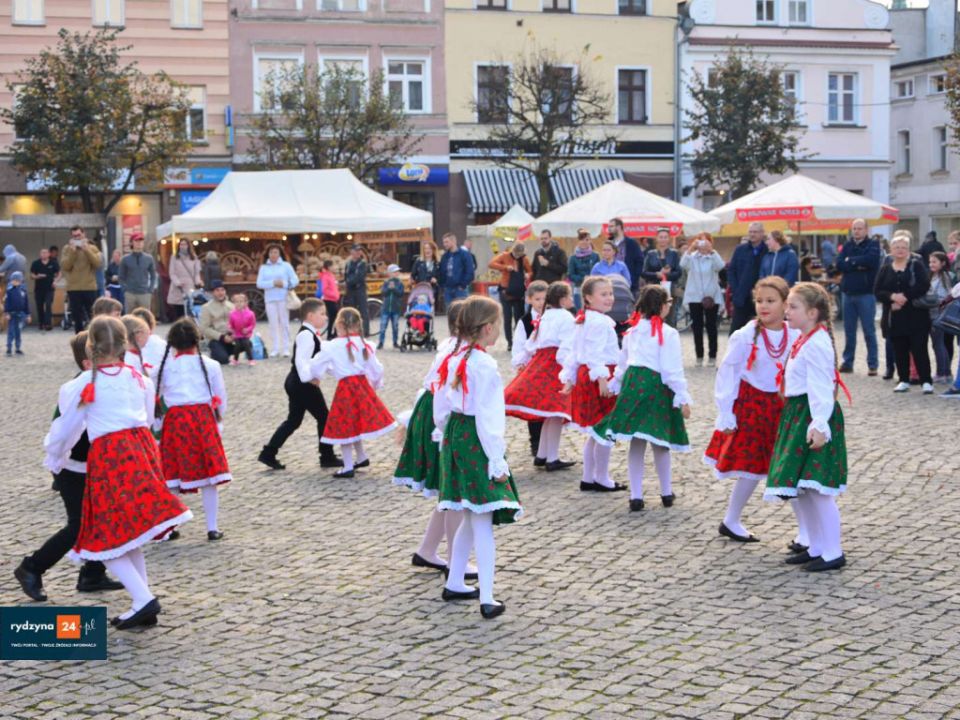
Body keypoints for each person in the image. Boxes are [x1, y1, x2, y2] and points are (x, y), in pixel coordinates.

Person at [42, 316, 193, 629]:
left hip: (111, 457)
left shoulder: (84, 384)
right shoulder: (139, 378)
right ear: (124, 344)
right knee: (130, 532)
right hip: (142, 452)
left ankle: (144, 599)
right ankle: (142, 599)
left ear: (90, 346)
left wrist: (55, 456)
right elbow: (149, 419)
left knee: (102, 534)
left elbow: (65, 429)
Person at [14, 332, 125, 602]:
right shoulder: (78, 388)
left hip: (94, 466)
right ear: (88, 362)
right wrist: (56, 460)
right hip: (72, 467)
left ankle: (92, 574)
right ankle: (31, 567)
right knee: (79, 524)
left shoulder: (106, 384)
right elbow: (62, 430)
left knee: (103, 518)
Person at [434, 295, 521, 620]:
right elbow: (489, 417)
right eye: (498, 325)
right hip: (476, 439)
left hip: (456, 434)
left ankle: (455, 581)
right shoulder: (483, 364)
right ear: (487, 328)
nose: (499, 330)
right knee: (482, 519)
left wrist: (444, 433)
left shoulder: (456, 357)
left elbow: (442, 403)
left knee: (471, 515)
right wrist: (497, 461)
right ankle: (487, 597)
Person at [705, 277, 800, 543]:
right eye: (759, 301)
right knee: (751, 465)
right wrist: (726, 411)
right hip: (752, 406)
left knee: (790, 465)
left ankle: (806, 531)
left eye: (771, 301)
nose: (764, 306)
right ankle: (731, 519)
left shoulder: (795, 334)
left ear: (785, 304)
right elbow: (728, 372)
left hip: (783, 406)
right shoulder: (745, 335)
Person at [765, 282, 848, 572]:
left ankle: (833, 551)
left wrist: (819, 424)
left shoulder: (816, 343)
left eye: (793, 306)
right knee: (803, 488)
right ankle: (816, 546)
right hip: (798, 413)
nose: (786, 311)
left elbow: (821, 387)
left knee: (818, 488)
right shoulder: (804, 339)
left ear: (812, 312)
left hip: (811, 414)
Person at [394, 301, 477, 580]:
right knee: (454, 493)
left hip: (434, 414)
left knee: (449, 492)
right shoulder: (456, 352)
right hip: (440, 419)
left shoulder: (454, 347)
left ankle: (428, 550)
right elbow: (441, 393)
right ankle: (456, 559)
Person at [590, 285, 691, 512]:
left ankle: (636, 495)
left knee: (637, 441)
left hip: (633, 385)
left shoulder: (632, 331)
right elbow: (671, 369)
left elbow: (623, 363)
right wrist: (682, 396)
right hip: (656, 387)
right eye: (668, 303)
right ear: (662, 306)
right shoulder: (668, 333)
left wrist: (616, 384)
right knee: (660, 441)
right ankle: (666, 492)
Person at [153, 318, 231, 541]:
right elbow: (221, 397)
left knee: (172, 473)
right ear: (198, 339)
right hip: (202, 421)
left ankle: (169, 527)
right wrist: (218, 421)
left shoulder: (164, 368)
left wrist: (157, 424)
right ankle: (212, 527)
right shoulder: (211, 365)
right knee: (209, 475)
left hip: (175, 422)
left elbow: (155, 396)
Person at [309, 307, 397, 479]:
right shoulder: (365, 344)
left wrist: (315, 374)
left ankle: (348, 466)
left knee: (345, 426)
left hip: (346, 390)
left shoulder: (333, 346)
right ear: (358, 325)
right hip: (362, 387)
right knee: (354, 423)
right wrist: (375, 385)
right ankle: (361, 456)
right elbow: (377, 369)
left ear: (340, 325)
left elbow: (316, 365)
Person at [259, 298, 342, 470]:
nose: (326, 317)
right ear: (311, 316)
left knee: (294, 420)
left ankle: (268, 453)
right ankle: (326, 456)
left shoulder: (312, 334)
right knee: (324, 418)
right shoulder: (306, 335)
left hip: (297, 383)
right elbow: (301, 362)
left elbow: (320, 361)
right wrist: (310, 378)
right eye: (322, 314)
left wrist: (340, 374)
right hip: (301, 384)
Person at [558, 276, 624, 493]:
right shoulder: (597, 322)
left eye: (610, 293)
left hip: (590, 374)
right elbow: (593, 353)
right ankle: (602, 477)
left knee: (595, 431)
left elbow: (575, 351)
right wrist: (603, 379)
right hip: (600, 375)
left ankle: (589, 477)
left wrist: (570, 378)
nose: (609, 298)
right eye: (603, 294)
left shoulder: (587, 319)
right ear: (587, 297)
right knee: (605, 429)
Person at [504, 282, 576, 471]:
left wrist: (521, 360)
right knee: (556, 413)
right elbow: (567, 347)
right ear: (562, 299)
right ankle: (552, 458)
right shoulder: (566, 317)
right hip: (555, 365)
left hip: (541, 360)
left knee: (549, 414)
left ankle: (542, 454)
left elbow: (532, 342)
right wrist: (568, 371)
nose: (572, 299)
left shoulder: (546, 316)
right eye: (569, 296)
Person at [874, 235, 933, 393]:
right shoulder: (885, 269)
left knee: (920, 349)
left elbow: (924, 285)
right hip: (895, 316)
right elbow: (877, 291)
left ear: (908, 250)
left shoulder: (916, 265)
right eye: (897, 247)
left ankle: (926, 381)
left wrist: (905, 297)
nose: (900, 250)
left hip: (917, 315)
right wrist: (892, 297)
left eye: (903, 247)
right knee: (899, 349)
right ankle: (903, 380)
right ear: (891, 250)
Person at [835, 219, 880, 374]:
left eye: (860, 228)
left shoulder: (873, 245)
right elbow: (839, 264)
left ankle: (873, 364)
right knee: (849, 331)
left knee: (869, 331)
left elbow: (871, 261)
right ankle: (848, 362)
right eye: (854, 228)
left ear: (866, 230)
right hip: (848, 293)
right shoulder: (847, 245)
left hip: (866, 294)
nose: (856, 231)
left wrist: (851, 261)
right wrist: (858, 264)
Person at [511, 280, 548, 460]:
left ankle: (548, 445)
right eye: (537, 299)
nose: (541, 303)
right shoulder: (525, 321)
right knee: (534, 407)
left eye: (544, 299)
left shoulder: (552, 318)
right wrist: (520, 363)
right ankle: (536, 443)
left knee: (548, 407)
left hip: (548, 368)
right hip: (532, 368)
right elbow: (518, 345)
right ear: (529, 300)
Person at [680, 232, 724, 367]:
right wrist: (690, 248)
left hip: (711, 296)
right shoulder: (692, 257)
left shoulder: (713, 257)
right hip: (694, 296)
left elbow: (720, 266)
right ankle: (699, 356)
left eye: (706, 241)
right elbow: (683, 264)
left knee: (711, 326)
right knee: (697, 327)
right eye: (700, 241)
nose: (703, 244)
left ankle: (712, 356)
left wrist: (712, 251)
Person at [256, 244, 298, 358]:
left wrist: (284, 284)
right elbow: (259, 284)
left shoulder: (286, 266)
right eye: (271, 252)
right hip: (270, 299)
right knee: (273, 324)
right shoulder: (263, 267)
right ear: (268, 254)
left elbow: (295, 280)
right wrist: (273, 283)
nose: (273, 255)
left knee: (284, 323)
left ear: (280, 254)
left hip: (283, 298)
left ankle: (286, 348)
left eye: (275, 252)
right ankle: (275, 348)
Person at [488, 242, 532, 350]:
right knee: (507, 318)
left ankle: (518, 341)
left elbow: (530, 271)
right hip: (505, 290)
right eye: (516, 254)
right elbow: (491, 264)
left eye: (519, 254)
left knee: (519, 317)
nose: (517, 256)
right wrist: (505, 267)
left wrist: (528, 275)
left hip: (518, 291)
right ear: (513, 250)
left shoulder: (524, 259)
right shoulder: (504, 255)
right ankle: (509, 342)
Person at [727, 222, 769, 333]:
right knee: (736, 331)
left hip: (761, 296)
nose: (752, 234)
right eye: (750, 232)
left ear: (762, 233)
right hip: (742, 296)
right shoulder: (740, 249)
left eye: (755, 232)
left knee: (762, 330)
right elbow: (731, 270)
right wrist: (736, 289)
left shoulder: (768, 250)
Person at [61, 227, 103, 332]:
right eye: (74, 236)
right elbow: (65, 266)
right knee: (77, 317)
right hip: (73, 288)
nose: (77, 238)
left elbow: (97, 264)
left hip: (89, 287)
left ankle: (94, 337)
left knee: (93, 315)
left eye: (78, 235)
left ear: (84, 234)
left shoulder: (92, 248)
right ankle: (79, 338)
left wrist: (87, 250)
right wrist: (73, 252)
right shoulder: (67, 249)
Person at [641, 228, 682, 325]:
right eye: (661, 237)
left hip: (670, 290)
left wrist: (666, 275)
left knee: (670, 318)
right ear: (657, 238)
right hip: (653, 290)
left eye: (665, 237)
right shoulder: (650, 253)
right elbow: (644, 272)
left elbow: (679, 273)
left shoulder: (674, 253)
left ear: (669, 239)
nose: (663, 239)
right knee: (653, 316)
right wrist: (657, 274)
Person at [928, 251, 955, 383]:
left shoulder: (945, 276)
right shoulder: (933, 276)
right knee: (938, 344)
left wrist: (927, 300)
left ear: (943, 263)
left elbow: (944, 297)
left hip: (937, 315)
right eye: (930, 262)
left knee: (939, 344)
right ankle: (946, 373)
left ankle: (942, 373)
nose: (931, 264)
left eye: (934, 262)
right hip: (932, 313)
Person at [198, 280, 236, 364]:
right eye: (217, 290)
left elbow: (237, 323)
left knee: (248, 344)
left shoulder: (231, 306)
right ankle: (219, 352)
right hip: (216, 339)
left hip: (231, 337)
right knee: (223, 360)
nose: (220, 293)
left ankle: (226, 351)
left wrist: (234, 334)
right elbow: (204, 328)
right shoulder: (206, 307)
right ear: (212, 292)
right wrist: (222, 337)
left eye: (222, 290)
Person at [118, 233, 156, 313]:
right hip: (130, 293)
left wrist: (150, 290)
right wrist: (125, 290)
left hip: (144, 293)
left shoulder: (149, 258)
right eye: (136, 241)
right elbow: (121, 277)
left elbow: (153, 276)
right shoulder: (125, 259)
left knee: (145, 317)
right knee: (130, 317)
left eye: (141, 241)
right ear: (131, 243)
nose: (139, 243)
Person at [607, 218, 645, 295]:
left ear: (619, 227)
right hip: (611, 283)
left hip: (628, 284)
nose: (609, 229)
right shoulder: (609, 243)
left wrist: (634, 279)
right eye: (609, 226)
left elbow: (640, 261)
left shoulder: (631, 243)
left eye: (611, 226)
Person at [167, 239, 202, 320]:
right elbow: (172, 273)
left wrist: (198, 282)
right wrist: (177, 282)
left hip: (190, 286)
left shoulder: (194, 257)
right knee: (179, 311)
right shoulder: (174, 257)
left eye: (185, 244)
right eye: (181, 244)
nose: (183, 246)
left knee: (190, 310)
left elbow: (197, 273)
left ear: (188, 246)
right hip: (178, 287)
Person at [438, 233, 474, 307]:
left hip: (460, 289)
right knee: (449, 311)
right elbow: (442, 271)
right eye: (443, 242)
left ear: (454, 241)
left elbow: (470, 271)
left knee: (461, 311)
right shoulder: (444, 256)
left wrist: (462, 285)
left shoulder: (465, 254)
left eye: (446, 242)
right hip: (448, 289)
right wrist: (443, 285)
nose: (444, 244)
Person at [568, 230, 600, 310]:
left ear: (590, 241)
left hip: (593, 289)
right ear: (578, 241)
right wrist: (583, 278)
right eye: (582, 239)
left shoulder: (595, 256)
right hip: (578, 289)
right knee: (580, 312)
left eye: (587, 240)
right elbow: (570, 275)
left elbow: (599, 272)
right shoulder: (573, 258)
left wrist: (591, 278)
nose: (584, 242)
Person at [30, 247, 60, 331]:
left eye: (45, 253)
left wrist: (55, 281)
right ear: (40, 254)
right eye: (42, 253)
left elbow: (59, 273)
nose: (43, 254)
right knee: (39, 306)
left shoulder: (53, 263)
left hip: (49, 288)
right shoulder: (36, 263)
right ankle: (41, 323)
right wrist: (37, 276)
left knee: (48, 304)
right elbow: (31, 275)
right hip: (39, 289)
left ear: (49, 254)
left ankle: (48, 324)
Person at [343, 245, 370, 337]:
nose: (358, 252)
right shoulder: (348, 264)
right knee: (351, 311)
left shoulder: (362, 263)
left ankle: (365, 332)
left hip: (360, 289)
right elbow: (346, 275)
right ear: (351, 252)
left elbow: (359, 277)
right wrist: (344, 282)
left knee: (363, 311)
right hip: (350, 290)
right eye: (356, 251)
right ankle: (352, 331)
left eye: (359, 251)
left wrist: (347, 282)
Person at [377, 264, 405, 350]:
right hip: (386, 308)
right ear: (390, 273)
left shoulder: (400, 283)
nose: (397, 273)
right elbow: (383, 293)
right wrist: (389, 288)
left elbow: (401, 294)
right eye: (394, 272)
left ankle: (395, 342)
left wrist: (394, 289)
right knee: (383, 326)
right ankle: (381, 342)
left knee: (395, 326)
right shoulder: (386, 282)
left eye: (397, 271)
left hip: (395, 308)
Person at [4, 271, 29, 356]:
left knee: (18, 332)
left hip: (20, 314)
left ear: (20, 281)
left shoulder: (23, 291)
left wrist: (28, 314)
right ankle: (9, 349)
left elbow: (26, 303)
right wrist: (7, 313)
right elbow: (7, 303)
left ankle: (18, 348)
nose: (14, 282)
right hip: (11, 314)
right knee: (11, 331)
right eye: (13, 280)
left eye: (16, 280)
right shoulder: (9, 291)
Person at [228, 293, 257, 366]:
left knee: (246, 344)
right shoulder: (232, 314)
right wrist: (231, 330)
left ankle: (251, 359)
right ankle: (235, 359)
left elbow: (252, 324)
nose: (239, 303)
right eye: (236, 302)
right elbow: (230, 324)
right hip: (237, 333)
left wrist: (247, 329)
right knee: (237, 345)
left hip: (246, 334)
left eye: (241, 301)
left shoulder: (250, 313)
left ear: (245, 303)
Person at [315, 259, 340, 341]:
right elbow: (324, 289)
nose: (334, 267)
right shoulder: (325, 276)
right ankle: (331, 334)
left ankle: (333, 333)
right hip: (329, 300)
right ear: (329, 267)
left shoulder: (331, 275)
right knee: (334, 318)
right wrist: (334, 295)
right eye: (333, 265)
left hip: (333, 299)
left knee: (334, 317)